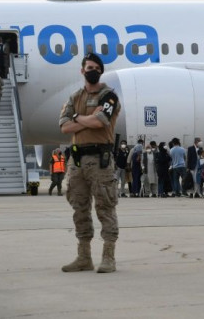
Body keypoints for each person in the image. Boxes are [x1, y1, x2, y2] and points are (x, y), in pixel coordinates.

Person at [58, 52, 121, 273]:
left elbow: (101, 121)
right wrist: (82, 119)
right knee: (79, 208)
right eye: (88, 67)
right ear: (82, 70)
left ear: (101, 71)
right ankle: (84, 257)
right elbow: (64, 126)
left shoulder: (109, 97)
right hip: (76, 161)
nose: (92, 70)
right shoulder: (75, 97)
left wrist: (77, 119)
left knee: (105, 206)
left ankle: (108, 257)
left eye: (96, 67)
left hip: (100, 161)